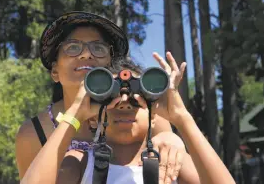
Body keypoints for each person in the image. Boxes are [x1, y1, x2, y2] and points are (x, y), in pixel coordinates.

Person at [20, 52, 236, 184]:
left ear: (154, 118)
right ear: (93, 120)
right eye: (112, 101)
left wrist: (182, 118)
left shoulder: (170, 162)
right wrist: (75, 114)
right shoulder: (81, 161)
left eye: (136, 101)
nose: (124, 104)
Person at [16, 11, 178, 181]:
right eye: (72, 47)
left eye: (98, 48)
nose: (86, 54)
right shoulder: (33, 133)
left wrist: (171, 138)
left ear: (111, 66)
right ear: (55, 71)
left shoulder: (141, 109)